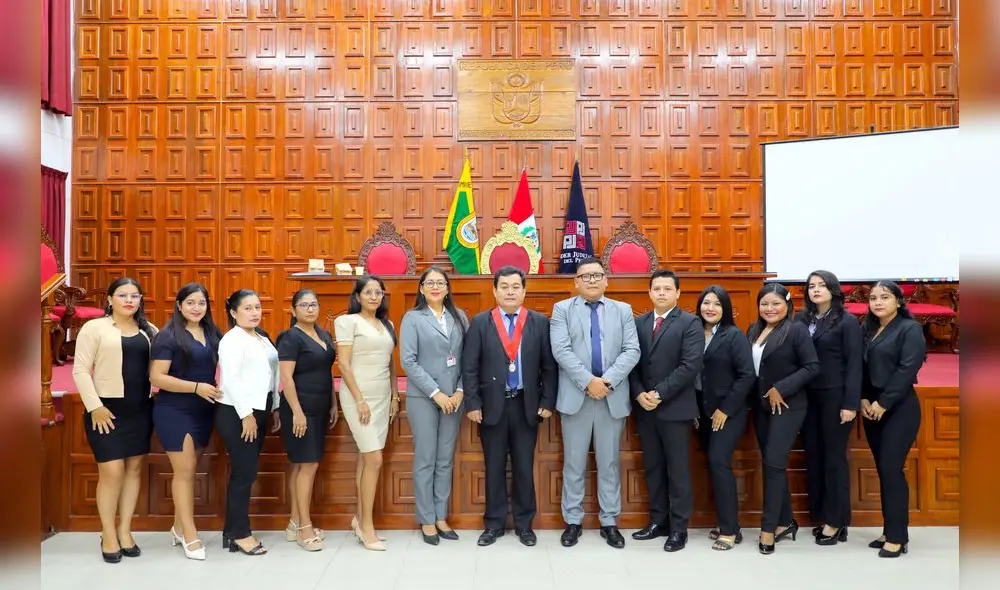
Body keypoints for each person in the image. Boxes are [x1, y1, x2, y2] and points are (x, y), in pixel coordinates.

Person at [463, 266, 558, 547]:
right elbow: (470, 367)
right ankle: (493, 524)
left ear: (524, 291)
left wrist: (547, 401)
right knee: (493, 467)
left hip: (526, 406)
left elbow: (549, 368)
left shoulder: (539, 322)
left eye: (515, 286)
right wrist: (473, 403)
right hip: (491, 407)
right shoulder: (480, 322)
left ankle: (524, 524)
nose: (510, 292)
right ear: (494, 290)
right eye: (504, 286)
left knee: (523, 468)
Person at [550, 257, 640, 549]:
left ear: (606, 280)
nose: (591, 280)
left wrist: (607, 381)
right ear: (575, 282)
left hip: (611, 397)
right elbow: (561, 351)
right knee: (574, 463)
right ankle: (573, 521)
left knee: (609, 463)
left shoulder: (623, 310)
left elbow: (632, 350)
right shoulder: (562, 310)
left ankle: (609, 521)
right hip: (577, 396)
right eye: (585, 276)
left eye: (596, 275)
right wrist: (589, 381)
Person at [73, 277, 157, 563]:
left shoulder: (149, 330)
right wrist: (94, 406)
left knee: (134, 470)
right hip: (105, 412)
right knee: (111, 473)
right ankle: (107, 533)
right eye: (123, 295)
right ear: (109, 299)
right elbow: (80, 370)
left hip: (140, 410)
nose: (129, 300)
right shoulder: (94, 327)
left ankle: (124, 530)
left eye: (135, 295)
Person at [628, 269, 703, 552]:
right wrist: (639, 394)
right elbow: (632, 363)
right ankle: (658, 521)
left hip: (675, 409)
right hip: (645, 409)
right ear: (649, 292)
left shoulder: (690, 323)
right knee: (654, 468)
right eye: (656, 288)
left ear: (677, 293)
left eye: (667, 289)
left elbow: (690, 365)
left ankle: (678, 528)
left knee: (678, 470)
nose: (661, 293)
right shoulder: (639, 323)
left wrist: (659, 394)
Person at [149, 283, 223, 561]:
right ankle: (190, 534)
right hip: (175, 409)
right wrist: (195, 387)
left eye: (201, 303)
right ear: (179, 305)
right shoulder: (168, 336)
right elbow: (157, 377)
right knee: (184, 471)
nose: (196, 308)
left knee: (191, 470)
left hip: (205, 408)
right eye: (190, 302)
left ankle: (178, 527)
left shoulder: (213, 333)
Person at [747, 283, 819, 555]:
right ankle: (785, 521)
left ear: (788, 305)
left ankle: (768, 530)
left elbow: (812, 366)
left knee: (775, 464)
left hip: (789, 406)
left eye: (776, 303)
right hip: (762, 407)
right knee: (770, 464)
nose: (770, 308)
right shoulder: (754, 330)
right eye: (765, 303)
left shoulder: (796, 330)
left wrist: (781, 388)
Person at [400, 267, 467, 545]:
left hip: (455, 399)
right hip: (425, 399)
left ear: (448, 288)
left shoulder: (460, 317)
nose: (436, 287)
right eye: (430, 283)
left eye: (441, 282)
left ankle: (441, 516)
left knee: (445, 459)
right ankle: (427, 518)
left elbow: (469, 358)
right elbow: (408, 361)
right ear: (422, 288)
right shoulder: (413, 318)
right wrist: (436, 392)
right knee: (426, 458)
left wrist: (461, 390)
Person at [796, 270, 862, 546]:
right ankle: (823, 516)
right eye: (811, 286)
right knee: (815, 457)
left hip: (835, 397)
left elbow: (855, 364)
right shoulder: (802, 318)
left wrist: (850, 403)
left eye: (822, 285)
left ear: (833, 289)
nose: (816, 290)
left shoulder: (846, 322)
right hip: (808, 397)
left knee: (834, 459)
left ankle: (836, 521)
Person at [860, 281, 926, 558]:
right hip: (871, 407)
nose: (877, 302)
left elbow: (907, 368)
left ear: (898, 301)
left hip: (899, 408)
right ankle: (891, 529)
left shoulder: (909, 329)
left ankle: (898, 537)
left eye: (884, 297)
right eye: (873, 298)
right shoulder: (869, 329)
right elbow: (860, 367)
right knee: (884, 470)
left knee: (891, 469)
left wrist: (883, 403)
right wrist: (863, 398)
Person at [335, 275, 399, 552]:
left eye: (378, 292)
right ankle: (367, 527)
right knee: (374, 458)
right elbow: (343, 365)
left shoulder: (388, 324)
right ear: (358, 295)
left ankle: (359, 520)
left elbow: (391, 364)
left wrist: (395, 395)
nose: (374, 296)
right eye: (368, 292)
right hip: (357, 396)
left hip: (383, 396)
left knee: (366, 457)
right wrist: (360, 399)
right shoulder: (346, 322)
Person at [216, 289, 279, 556]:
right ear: (233, 312)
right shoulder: (232, 340)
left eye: (257, 307)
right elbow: (231, 379)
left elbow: (271, 373)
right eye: (247, 308)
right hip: (238, 413)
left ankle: (231, 532)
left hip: (260, 408)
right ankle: (240, 533)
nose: (255, 313)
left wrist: (274, 407)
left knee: (247, 472)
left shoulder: (261, 337)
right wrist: (247, 415)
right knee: (244, 473)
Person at [694, 285, 755, 551]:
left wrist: (725, 410)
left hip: (729, 412)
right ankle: (728, 524)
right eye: (706, 303)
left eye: (717, 304)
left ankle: (729, 530)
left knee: (719, 462)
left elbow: (746, 376)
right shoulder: (693, 333)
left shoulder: (733, 335)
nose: (710, 308)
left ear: (725, 309)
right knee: (712, 463)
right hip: (702, 412)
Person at [275, 289, 336, 552]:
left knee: (302, 465)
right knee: (307, 464)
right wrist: (297, 412)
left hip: (321, 406)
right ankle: (304, 528)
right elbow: (286, 378)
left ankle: (293, 522)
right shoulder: (290, 337)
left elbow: (327, 372)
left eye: (314, 304)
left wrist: (333, 403)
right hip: (300, 409)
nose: (310, 309)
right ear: (293, 310)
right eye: (304, 305)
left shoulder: (323, 334)